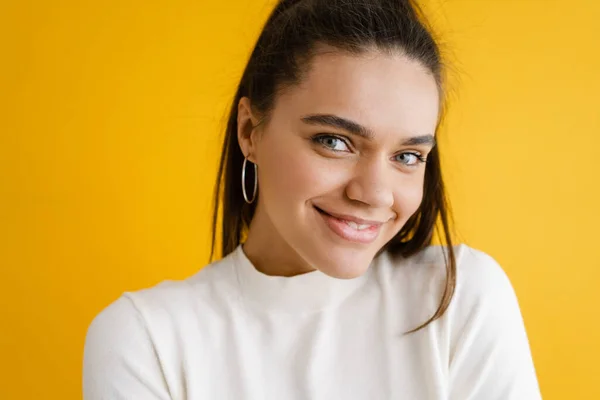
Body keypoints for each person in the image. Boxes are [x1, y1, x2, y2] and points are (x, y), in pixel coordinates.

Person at [83, 0, 542, 398]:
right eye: (334, 141)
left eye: (407, 155)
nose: (375, 193)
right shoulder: (146, 339)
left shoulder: (459, 297)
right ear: (250, 131)